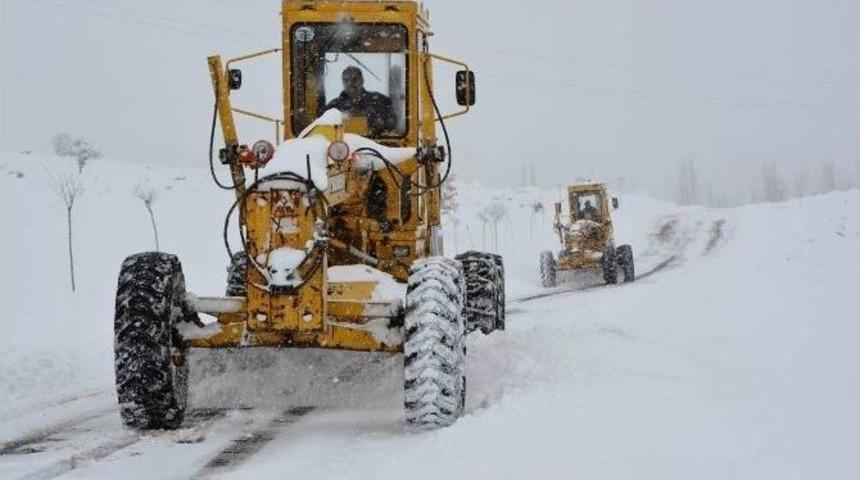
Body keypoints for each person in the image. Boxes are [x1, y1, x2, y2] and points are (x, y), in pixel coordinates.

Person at [326, 66, 395, 135]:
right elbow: (325, 130)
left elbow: (393, 124)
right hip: (343, 145)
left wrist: (378, 125)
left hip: (374, 144)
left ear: (362, 81)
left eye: (354, 80)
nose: (350, 84)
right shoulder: (333, 107)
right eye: (346, 80)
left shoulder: (380, 101)